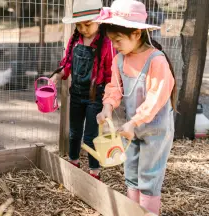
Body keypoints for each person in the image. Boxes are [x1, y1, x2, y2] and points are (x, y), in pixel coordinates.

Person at [94, 0, 176, 215]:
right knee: (131, 171)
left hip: (155, 129)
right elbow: (114, 87)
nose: (115, 45)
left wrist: (133, 122)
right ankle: (133, 211)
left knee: (149, 175)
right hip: (131, 129)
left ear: (137, 34)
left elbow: (155, 99)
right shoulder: (119, 59)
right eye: (112, 41)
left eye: (118, 40)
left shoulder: (156, 61)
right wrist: (107, 108)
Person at [50, 0, 114, 180]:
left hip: (96, 96)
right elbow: (68, 64)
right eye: (78, 25)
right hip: (77, 94)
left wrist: (108, 102)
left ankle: (94, 172)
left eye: (87, 24)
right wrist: (56, 76)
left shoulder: (106, 43)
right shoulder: (75, 40)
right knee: (74, 132)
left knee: (91, 136)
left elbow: (111, 75)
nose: (83, 29)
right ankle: (73, 162)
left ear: (99, 21)